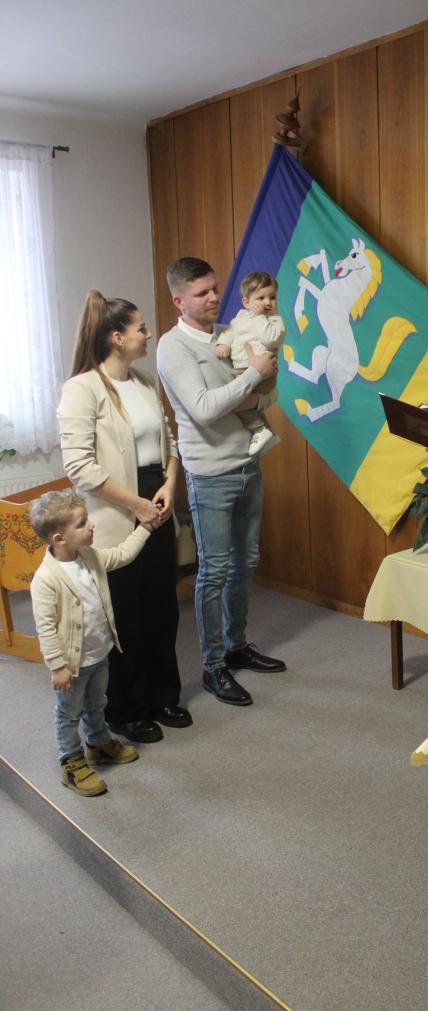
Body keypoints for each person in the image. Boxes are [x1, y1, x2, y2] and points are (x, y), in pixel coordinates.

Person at [58, 290, 191, 744]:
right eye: (140, 328)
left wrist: (169, 485)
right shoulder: (82, 388)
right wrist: (136, 505)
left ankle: (163, 696)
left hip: (157, 500)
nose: (148, 334)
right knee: (125, 613)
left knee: (161, 606)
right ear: (117, 337)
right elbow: (79, 466)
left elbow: (169, 441)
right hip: (116, 511)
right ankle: (126, 709)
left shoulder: (145, 381)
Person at [157, 257, 286, 709]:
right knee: (213, 572)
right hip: (210, 472)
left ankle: (236, 646)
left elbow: (269, 392)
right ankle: (213, 667)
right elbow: (204, 408)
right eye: (201, 293)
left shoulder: (231, 331)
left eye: (215, 288)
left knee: (245, 560)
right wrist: (252, 378)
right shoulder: (173, 347)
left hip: (248, 461)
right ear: (179, 301)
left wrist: (251, 391)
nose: (214, 297)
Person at [30, 489, 148, 796]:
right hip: (72, 665)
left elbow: (121, 555)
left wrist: (145, 528)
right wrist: (57, 666)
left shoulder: (89, 557)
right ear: (59, 538)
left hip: (99, 654)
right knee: (68, 714)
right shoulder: (46, 579)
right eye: (82, 523)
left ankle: (98, 743)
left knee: (97, 703)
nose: (91, 525)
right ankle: (71, 762)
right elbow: (45, 627)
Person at [213, 271, 285, 459]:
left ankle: (259, 430)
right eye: (261, 298)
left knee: (238, 404)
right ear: (246, 302)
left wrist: (260, 317)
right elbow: (230, 331)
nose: (267, 302)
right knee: (240, 403)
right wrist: (223, 343)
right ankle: (265, 432)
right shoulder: (241, 317)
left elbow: (271, 339)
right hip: (242, 370)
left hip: (264, 373)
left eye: (272, 297)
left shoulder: (275, 321)